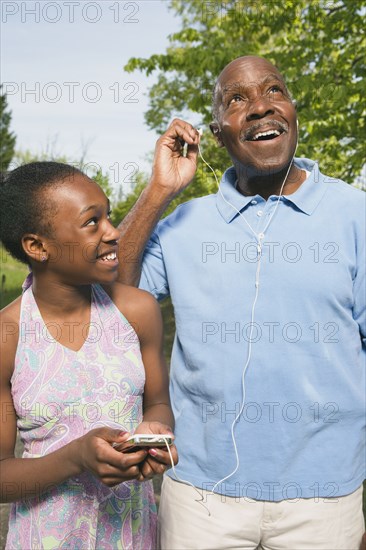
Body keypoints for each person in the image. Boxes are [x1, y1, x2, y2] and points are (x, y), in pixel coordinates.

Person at [117, 56, 366, 549]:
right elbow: (115, 297)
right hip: (200, 497)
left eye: (274, 91)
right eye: (237, 99)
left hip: (326, 497)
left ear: (293, 112)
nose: (259, 108)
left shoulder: (354, 213)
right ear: (217, 134)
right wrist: (159, 190)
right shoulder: (182, 225)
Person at [0, 161, 178, 549]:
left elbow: (159, 403)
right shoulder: (6, 336)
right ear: (37, 246)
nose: (114, 233)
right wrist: (77, 457)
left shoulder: (138, 311)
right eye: (91, 223)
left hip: (131, 536)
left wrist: (154, 432)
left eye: (108, 216)